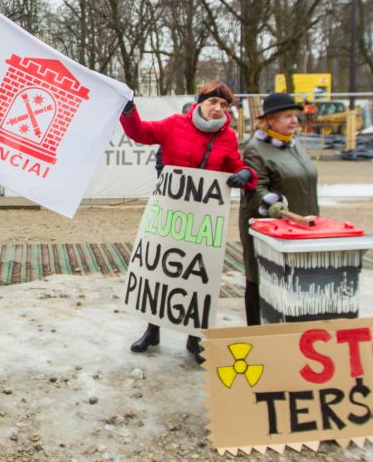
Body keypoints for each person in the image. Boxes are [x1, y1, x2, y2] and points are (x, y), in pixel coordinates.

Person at [120, 81, 256, 363]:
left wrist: (245, 174)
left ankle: (194, 338)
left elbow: (235, 164)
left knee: (196, 279)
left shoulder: (227, 137)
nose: (217, 109)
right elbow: (141, 132)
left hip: (203, 222)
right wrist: (129, 111)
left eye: (223, 105)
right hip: (170, 214)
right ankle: (152, 329)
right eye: (212, 102)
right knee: (161, 272)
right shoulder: (175, 124)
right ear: (200, 102)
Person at [239, 92, 319, 325]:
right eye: (286, 116)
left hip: (302, 226)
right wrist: (277, 209)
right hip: (269, 230)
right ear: (269, 120)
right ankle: (257, 332)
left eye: (295, 116)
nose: (294, 121)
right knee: (261, 279)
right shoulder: (256, 149)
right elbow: (256, 189)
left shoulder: (293, 144)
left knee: (297, 279)